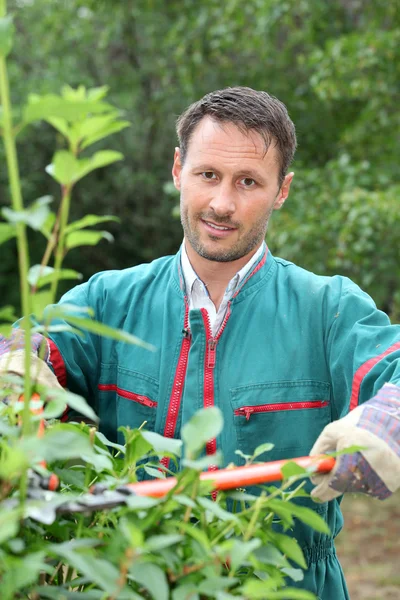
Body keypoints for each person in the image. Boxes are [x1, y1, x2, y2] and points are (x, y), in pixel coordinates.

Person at [1, 87, 399, 598]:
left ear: (282, 190)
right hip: (130, 580)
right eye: (207, 174)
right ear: (176, 170)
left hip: (287, 586)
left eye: (249, 182)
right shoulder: (107, 301)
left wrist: (385, 421)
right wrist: (15, 366)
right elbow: (30, 346)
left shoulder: (328, 309)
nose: (222, 203)